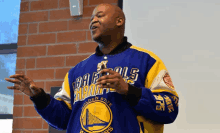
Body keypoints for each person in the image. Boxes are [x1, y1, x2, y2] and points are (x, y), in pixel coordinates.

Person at [5, 3, 179, 133]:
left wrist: (129, 90)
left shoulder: (147, 61)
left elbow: (170, 108)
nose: (93, 21)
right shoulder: (76, 71)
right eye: (91, 19)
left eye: (100, 16)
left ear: (119, 21)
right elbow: (63, 119)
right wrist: (40, 98)